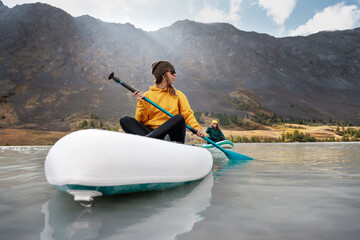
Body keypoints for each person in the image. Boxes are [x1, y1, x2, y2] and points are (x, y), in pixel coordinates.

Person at [120, 61, 205, 143]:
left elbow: (188, 115)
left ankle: (147, 141)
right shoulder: (147, 96)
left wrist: (196, 127)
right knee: (124, 120)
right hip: (152, 132)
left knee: (179, 118)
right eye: (172, 72)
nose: (175, 74)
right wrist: (141, 104)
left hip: (172, 135)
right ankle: (154, 140)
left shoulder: (178, 95)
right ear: (163, 74)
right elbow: (142, 121)